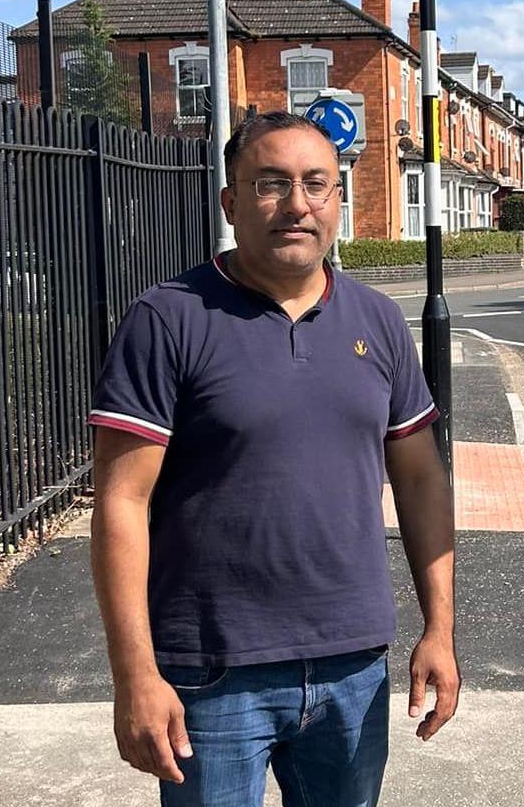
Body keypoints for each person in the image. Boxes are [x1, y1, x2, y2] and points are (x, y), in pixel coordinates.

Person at [88, 111, 460, 807]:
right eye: (271, 184)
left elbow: (420, 481)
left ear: (338, 200)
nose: (297, 205)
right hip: (211, 671)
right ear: (230, 202)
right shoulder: (168, 319)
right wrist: (134, 670)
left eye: (316, 184)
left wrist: (439, 630)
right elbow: (121, 501)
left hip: (353, 663)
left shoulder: (377, 321)